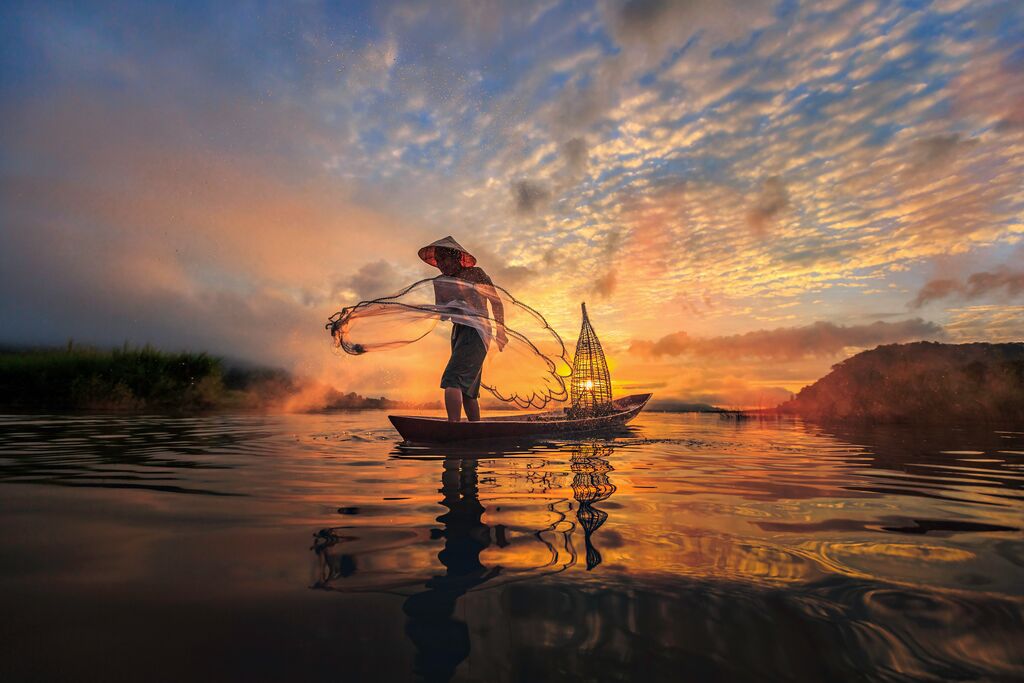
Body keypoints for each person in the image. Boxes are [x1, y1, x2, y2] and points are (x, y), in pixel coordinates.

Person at [418, 236, 508, 422]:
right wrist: (449, 307)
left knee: (453, 379)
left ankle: (454, 428)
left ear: (457, 257)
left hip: (478, 330)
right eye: (438, 260)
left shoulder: (476, 274)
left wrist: (501, 332)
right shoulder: (441, 281)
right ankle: (474, 429)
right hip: (458, 332)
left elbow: (496, 302)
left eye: (444, 259)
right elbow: (444, 315)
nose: (441, 264)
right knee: (468, 390)